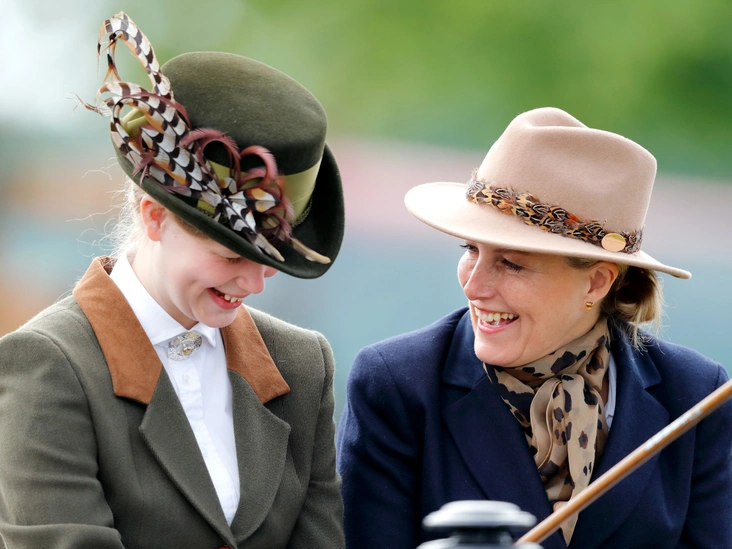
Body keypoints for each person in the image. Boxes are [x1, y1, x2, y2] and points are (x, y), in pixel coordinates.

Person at [0, 12, 345, 549]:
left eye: (271, 258)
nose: (255, 284)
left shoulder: (301, 365)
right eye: (229, 254)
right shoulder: (50, 366)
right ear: (154, 217)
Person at [336, 107, 732, 549]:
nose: (474, 285)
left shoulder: (697, 394)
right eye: (470, 249)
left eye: (511, 263)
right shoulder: (396, 385)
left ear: (596, 282)